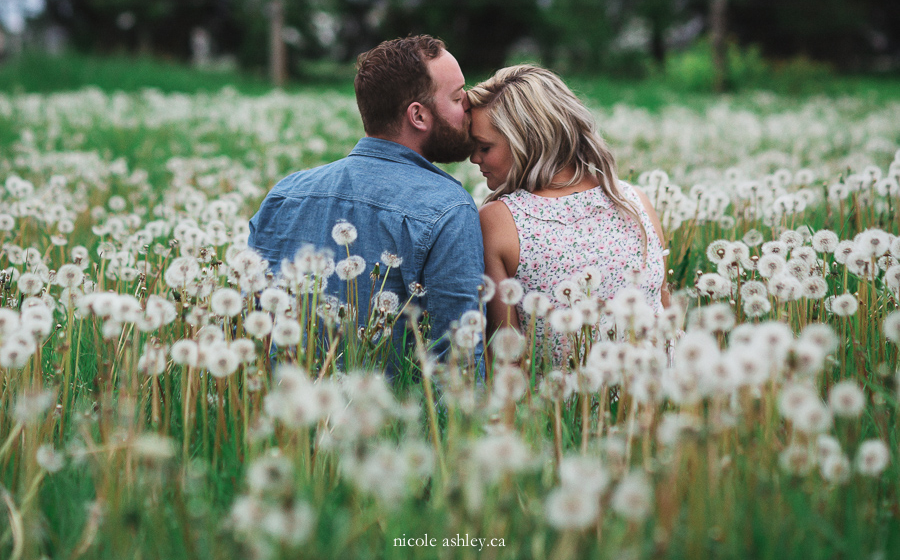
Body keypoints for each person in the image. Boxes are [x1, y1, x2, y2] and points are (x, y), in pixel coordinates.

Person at [248, 34, 484, 358]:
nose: (469, 107)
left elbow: (247, 324)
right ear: (418, 116)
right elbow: (459, 359)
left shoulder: (284, 195)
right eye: (458, 98)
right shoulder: (448, 210)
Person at [468, 64, 668, 359]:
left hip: (561, 404)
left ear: (527, 141)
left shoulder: (498, 221)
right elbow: (667, 316)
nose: (474, 158)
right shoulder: (636, 201)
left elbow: (507, 359)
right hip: (658, 397)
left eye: (484, 147)